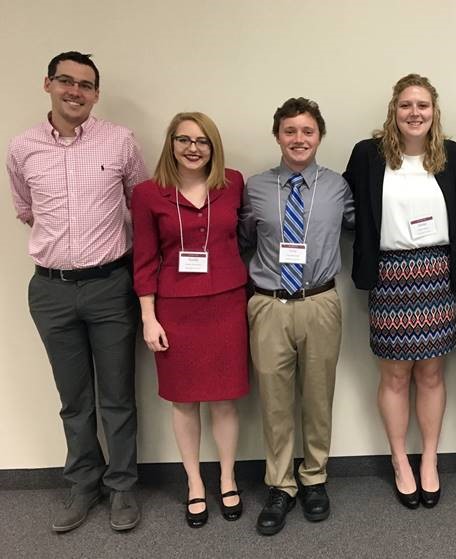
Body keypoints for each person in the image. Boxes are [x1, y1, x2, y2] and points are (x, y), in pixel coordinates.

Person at [6, 51, 148, 532]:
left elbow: (142, 205)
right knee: (74, 398)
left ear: (96, 94)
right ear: (47, 84)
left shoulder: (121, 142)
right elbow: (25, 208)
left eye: (85, 85)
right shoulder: (22, 148)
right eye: (65, 81)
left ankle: (123, 486)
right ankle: (84, 482)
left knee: (117, 396)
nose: (75, 91)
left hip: (111, 285)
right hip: (51, 291)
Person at [343, 73, 456, 509]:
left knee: (432, 374)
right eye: (406, 106)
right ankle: (400, 460)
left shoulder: (452, 155)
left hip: (436, 274)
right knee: (395, 375)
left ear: (435, 112)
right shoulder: (368, 154)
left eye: (423, 106)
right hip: (390, 275)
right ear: (393, 111)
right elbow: (346, 205)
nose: (415, 113)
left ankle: (429, 459)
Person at [240, 97, 354, 536]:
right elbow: (245, 236)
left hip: (320, 302)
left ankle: (315, 477)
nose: (299, 139)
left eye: (307, 131)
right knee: (273, 399)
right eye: (290, 131)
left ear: (319, 136)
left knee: (318, 397)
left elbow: (355, 227)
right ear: (277, 136)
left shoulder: (338, 187)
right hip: (269, 304)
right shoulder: (255, 188)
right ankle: (280, 484)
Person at [131, 112, 249, 528]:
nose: (193, 148)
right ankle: (195, 482)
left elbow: (246, 239)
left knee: (224, 400)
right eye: (184, 140)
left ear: (213, 147)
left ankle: (228, 477)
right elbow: (143, 261)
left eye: (202, 141)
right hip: (175, 310)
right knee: (183, 401)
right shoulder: (147, 194)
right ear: (171, 144)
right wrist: (149, 317)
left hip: (228, 304)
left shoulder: (232, 183)